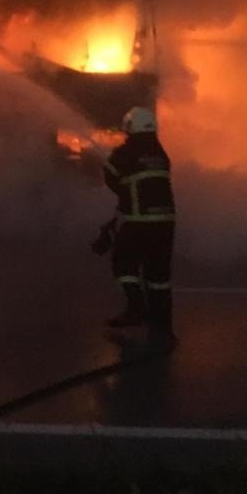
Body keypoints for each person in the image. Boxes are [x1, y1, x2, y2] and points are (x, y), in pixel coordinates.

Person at [100, 106, 176, 343]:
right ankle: (161, 321)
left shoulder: (127, 151)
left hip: (139, 220)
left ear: (130, 127)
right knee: (158, 275)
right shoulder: (160, 153)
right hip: (166, 222)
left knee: (123, 263)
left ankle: (136, 310)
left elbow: (111, 175)